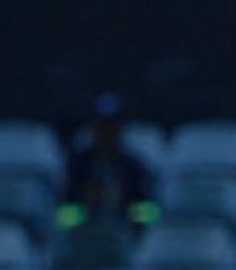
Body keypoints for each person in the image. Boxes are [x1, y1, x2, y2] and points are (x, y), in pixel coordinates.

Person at [57, 92, 159, 235]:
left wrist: (124, 206)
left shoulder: (134, 168)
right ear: (93, 128)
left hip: (123, 238)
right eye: (102, 127)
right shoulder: (77, 166)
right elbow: (63, 219)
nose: (107, 133)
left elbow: (150, 216)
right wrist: (85, 204)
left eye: (113, 127)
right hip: (82, 240)